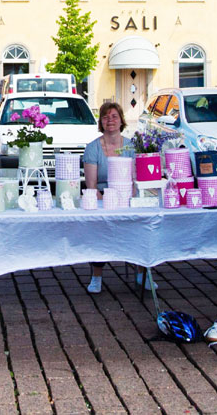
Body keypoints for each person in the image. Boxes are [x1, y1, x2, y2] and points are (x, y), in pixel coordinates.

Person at [83, 102, 149, 293]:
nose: (110, 120)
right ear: (101, 122)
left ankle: (141, 273)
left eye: (114, 116)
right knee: (99, 230)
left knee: (141, 227)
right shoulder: (92, 148)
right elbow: (92, 186)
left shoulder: (132, 146)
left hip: (128, 198)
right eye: (105, 117)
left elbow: (136, 180)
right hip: (103, 199)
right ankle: (96, 276)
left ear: (121, 120)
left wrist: (130, 200)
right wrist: (105, 203)